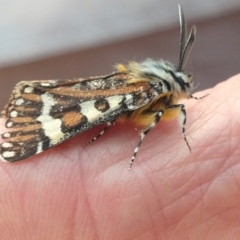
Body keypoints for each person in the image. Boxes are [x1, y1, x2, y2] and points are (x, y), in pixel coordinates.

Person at [0, 74, 239, 239]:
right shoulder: (146, 91)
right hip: (75, 108)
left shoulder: (149, 87)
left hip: (79, 93)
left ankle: (27, 103)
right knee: (89, 111)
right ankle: (27, 115)